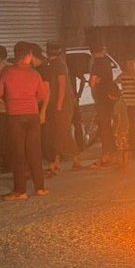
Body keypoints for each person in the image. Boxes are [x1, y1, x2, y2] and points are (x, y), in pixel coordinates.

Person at [0, 41, 50, 200]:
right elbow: (42, 95)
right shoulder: (35, 75)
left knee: (18, 154)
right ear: (28, 56)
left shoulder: (7, 72)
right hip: (32, 115)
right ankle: (40, 187)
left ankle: (20, 191)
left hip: (14, 116)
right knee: (35, 152)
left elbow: (1, 92)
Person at [44, 43, 81, 172]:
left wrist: (59, 104)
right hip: (59, 104)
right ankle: (57, 160)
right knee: (57, 132)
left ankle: (75, 159)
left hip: (63, 104)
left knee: (62, 131)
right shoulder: (54, 64)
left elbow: (62, 85)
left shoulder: (58, 64)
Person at [89, 44, 118, 167]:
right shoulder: (107, 62)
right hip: (110, 98)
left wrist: (94, 83)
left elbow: (92, 82)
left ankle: (107, 155)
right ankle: (112, 154)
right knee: (108, 126)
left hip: (102, 99)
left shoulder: (97, 63)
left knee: (104, 127)